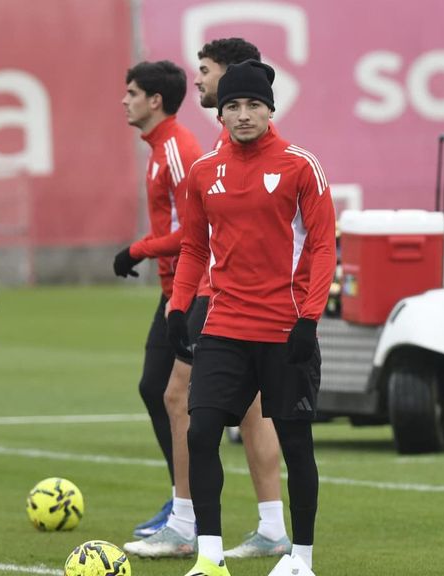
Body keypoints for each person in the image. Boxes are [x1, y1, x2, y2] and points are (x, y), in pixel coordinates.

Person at [124, 38, 292, 560]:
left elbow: (198, 235)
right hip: (215, 290)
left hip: (218, 291)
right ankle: (269, 526)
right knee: (249, 409)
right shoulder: (224, 144)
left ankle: (186, 520)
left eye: (206, 71)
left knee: (180, 397)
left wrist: (177, 287)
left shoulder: (226, 149)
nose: (196, 79)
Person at [166, 60, 335, 576]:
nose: (242, 115)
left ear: (270, 109)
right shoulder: (203, 172)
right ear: (220, 112)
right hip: (225, 326)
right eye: (232, 106)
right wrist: (179, 308)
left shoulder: (300, 165)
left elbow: (325, 247)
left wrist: (309, 318)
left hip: (286, 330)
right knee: (201, 432)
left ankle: (300, 559)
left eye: (253, 105)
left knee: (296, 442)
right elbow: (194, 247)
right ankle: (210, 557)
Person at [110, 60, 204, 538]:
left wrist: (137, 250)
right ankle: (181, 501)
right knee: (155, 389)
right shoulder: (158, 147)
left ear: (155, 101)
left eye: (131, 93)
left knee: (181, 397)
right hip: (172, 287)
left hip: (190, 289)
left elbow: (194, 229)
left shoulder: (176, 150)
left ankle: (192, 508)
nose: (124, 100)